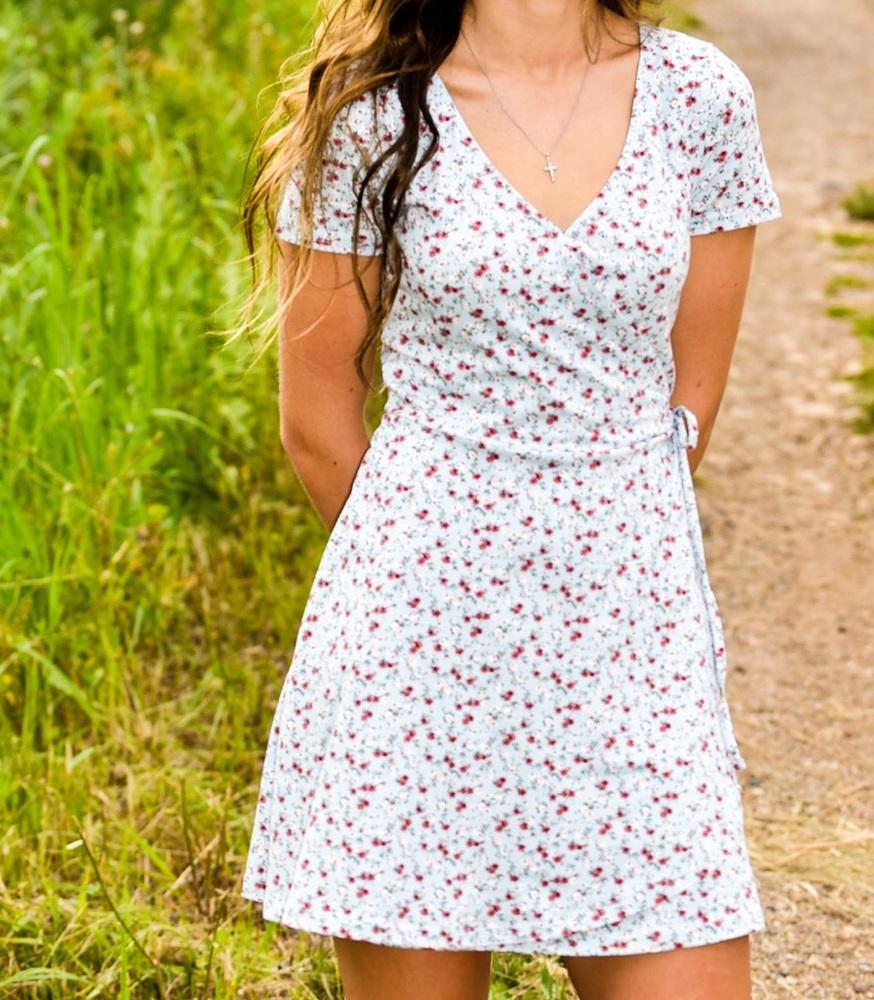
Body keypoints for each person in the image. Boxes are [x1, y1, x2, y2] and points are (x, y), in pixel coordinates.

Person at [240, 0, 781, 996]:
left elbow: (686, 405)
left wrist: (588, 557)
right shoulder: (373, 114)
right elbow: (317, 417)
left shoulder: (699, 97)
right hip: (418, 658)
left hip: (628, 646)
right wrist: (444, 580)